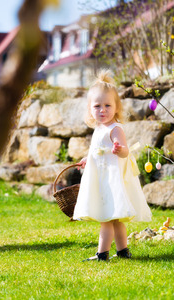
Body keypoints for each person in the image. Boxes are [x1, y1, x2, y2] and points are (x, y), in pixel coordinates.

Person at [73, 70, 151, 261]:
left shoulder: (115, 128)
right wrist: (86, 159)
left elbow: (125, 151)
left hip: (110, 180)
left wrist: (120, 150)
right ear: (90, 109)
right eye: (97, 106)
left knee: (106, 219)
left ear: (116, 107)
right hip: (101, 178)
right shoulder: (99, 128)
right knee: (114, 219)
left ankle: (102, 254)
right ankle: (123, 251)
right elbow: (95, 149)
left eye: (107, 105)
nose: (102, 110)